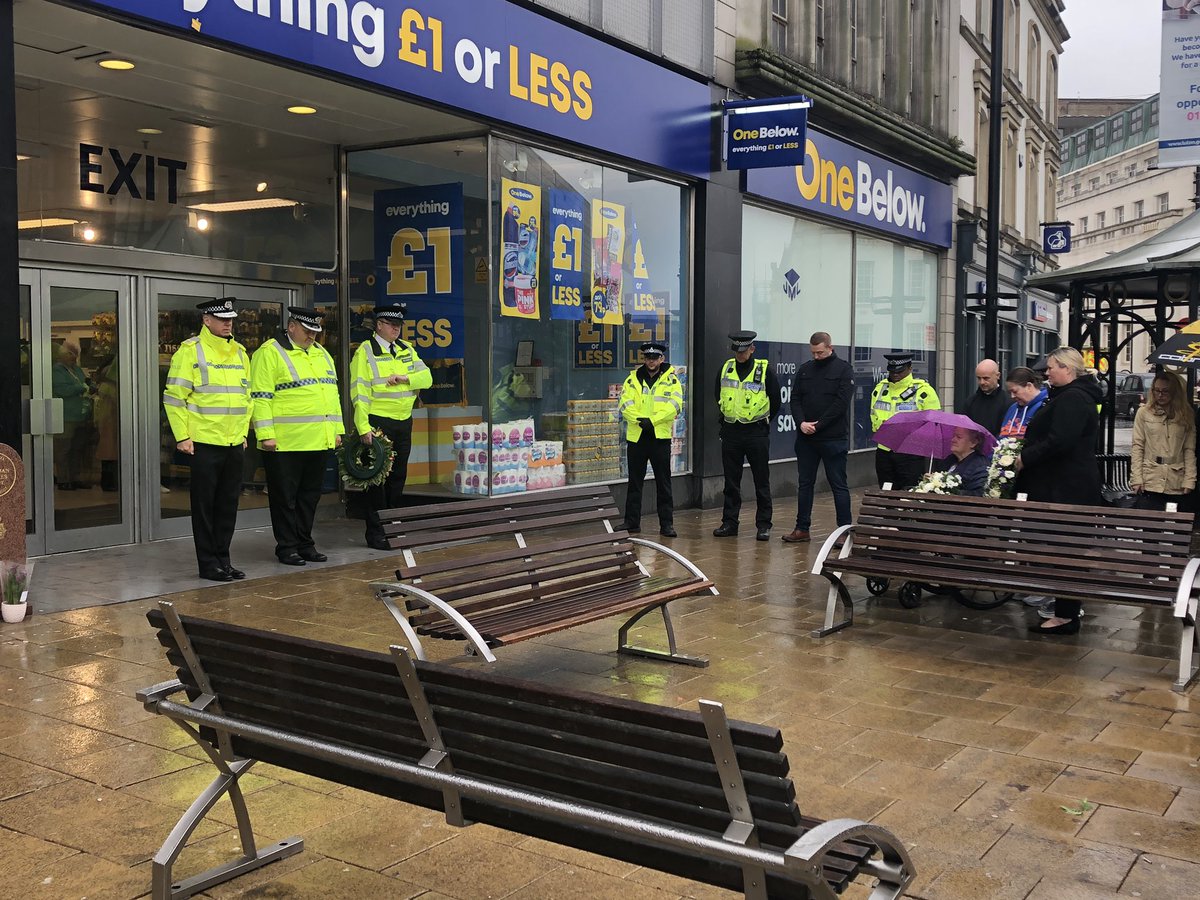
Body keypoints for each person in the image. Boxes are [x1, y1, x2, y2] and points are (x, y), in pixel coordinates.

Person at [163, 299, 252, 582]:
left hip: (233, 442)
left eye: (231, 319)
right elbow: (174, 398)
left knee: (228, 505)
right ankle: (208, 563)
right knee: (204, 507)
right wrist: (183, 437)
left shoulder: (240, 353)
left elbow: (246, 398)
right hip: (203, 442)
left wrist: (242, 433)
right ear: (206, 320)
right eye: (222, 318)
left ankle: (224, 560)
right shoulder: (190, 352)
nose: (228, 323)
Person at [1015, 347, 1103, 635]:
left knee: (1067, 552)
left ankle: (1066, 615)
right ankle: (1062, 609)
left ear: (1068, 369)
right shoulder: (1069, 396)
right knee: (1061, 551)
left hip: (1067, 490)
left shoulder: (1074, 398)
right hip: (1062, 486)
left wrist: (1026, 457)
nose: (1047, 372)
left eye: (1052, 367)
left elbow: (1060, 440)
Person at [250, 307, 344, 566]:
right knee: (284, 499)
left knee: (309, 497)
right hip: (284, 443)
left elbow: (331, 396)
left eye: (315, 331)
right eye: (307, 331)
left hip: (317, 440)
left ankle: (305, 543)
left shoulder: (322, 354)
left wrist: (337, 430)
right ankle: (287, 547)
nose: (312, 336)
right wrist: (266, 434)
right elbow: (260, 397)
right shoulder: (269, 353)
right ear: (291, 327)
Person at [351, 301, 433, 550]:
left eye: (399, 325)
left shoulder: (406, 349)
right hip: (377, 423)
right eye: (391, 325)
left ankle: (394, 527)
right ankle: (376, 533)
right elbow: (359, 392)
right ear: (379, 325)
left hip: (403, 422)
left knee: (397, 477)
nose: (396, 330)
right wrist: (363, 426)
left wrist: (406, 378)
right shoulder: (365, 352)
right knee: (377, 480)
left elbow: (427, 378)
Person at [783, 332, 853, 543]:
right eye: (813, 352)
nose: (816, 356)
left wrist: (819, 425)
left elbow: (841, 404)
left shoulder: (843, 369)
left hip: (833, 438)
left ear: (830, 347)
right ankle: (802, 528)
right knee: (805, 484)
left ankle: (844, 531)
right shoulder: (805, 369)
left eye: (820, 352)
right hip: (806, 439)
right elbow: (795, 399)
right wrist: (801, 423)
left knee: (838, 485)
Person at [713, 331, 781, 540]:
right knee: (731, 482)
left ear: (752, 349)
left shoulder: (764, 370)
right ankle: (729, 522)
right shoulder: (726, 368)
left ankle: (763, 524)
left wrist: (762, 421)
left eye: (744, 351)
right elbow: (718, 395)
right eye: (737, 351)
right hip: (732, 432)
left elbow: (776, 400)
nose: (740, 355)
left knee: (761, 481)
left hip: (756, 433)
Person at [619, 341, 683, 537]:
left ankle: (666, 525)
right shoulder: (632, 379)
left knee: (663, 483)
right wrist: (639, 421)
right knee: (635, 482)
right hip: (637, 436)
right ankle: (632, 522)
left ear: (661, 359)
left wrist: (652, 421)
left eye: (655, 358)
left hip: (659, 437)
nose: (651, 361)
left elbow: (675, 405)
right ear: (644, 359)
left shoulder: (672, 380)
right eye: (648, 357)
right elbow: (624, 403)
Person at [870, 352, 941, 489]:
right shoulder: (880, 389)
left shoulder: (924, 391)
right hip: (884, 451)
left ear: (909, 368)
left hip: (911, 452)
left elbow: (935, 424)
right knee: (886, 490)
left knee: (909, 492)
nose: (895, 374)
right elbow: (874, 415)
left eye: (900, 371)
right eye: (892, 370)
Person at [1130, 372, 1196, 511]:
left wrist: (1190, 479)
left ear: (1174, 392)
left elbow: (1189, 449)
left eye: (1165, 391)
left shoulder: (1186, 414)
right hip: (1150, 477)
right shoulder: (1143, 413)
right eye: (1156, 390)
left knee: (1179, 527)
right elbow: (1137, 446)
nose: (1160, 395)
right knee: (1150, 527)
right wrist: (1136, 478)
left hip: (1176, 478)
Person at [51, 339, 94, 491]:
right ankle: (63, 479)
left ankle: (75, 478)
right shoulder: (56, 371)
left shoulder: (77, 369)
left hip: (80, 416)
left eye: (75, 355)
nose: (73, 358)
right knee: (63, 450)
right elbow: (62, 390)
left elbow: (86, 384)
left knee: (77, 449)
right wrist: (81, 388)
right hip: (66, 416)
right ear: (61, 355)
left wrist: (89, 387)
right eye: (70, 354)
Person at [998, 367, 1049, 439]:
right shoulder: (1013, 408)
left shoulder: (1045, 407)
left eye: (1015, 391)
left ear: (1029, 386)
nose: (1012, 396)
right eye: (1010, 392)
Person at [94, 354, 120, 492]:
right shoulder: (110, 387)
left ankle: (110, 481)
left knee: (109, 454)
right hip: (109, 421)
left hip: (107, 420)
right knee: (109, 453)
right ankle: (109, 482)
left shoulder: (104, 386)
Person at [963, 359, 1007, 437]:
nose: (982, 382)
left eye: (986, 378)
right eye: (979, 378)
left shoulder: (1008, 402)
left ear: (998, 376)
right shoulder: (970, 402)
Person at [939, 427, 990, 496]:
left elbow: (979, 494)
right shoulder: (950, 460)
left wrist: (950, 492)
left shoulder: (980, 465)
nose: (953, 440)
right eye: (953, 436)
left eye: (959, 437)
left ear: (973, 443)